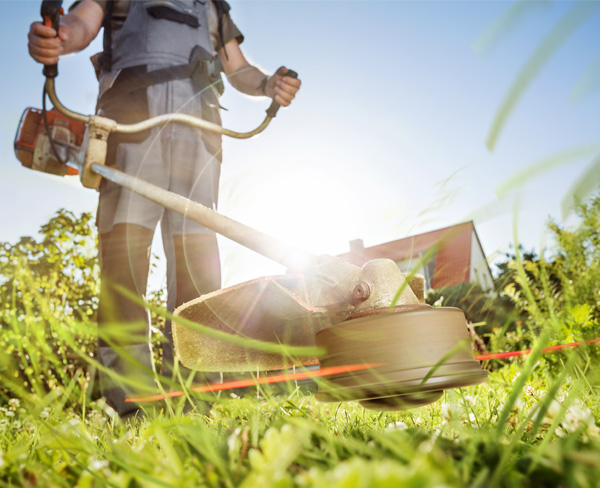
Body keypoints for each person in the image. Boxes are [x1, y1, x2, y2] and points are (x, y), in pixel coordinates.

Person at [28, 0, 301, 417]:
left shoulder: (212, 5)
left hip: (201, 131)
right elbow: (80, 24)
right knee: (125, 266)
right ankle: (131, 408)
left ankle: (198, 404)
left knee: (200, 272)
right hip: (132, 123)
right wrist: (60, 39)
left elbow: (238, 67)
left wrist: (267, 85)